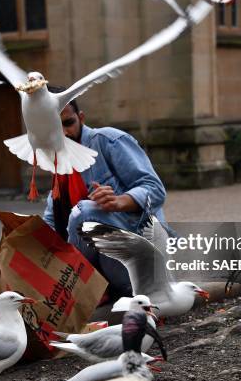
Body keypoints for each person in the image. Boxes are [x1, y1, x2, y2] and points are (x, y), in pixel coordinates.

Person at [43, 87, 167, 301]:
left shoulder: (108, 140)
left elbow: (155, 189)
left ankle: (83, 289)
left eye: (68, 123)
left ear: (81, 118)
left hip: (142, 269)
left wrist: (120, 202)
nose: (63, 134)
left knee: (84, 211)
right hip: (107, 273)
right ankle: (87, 290)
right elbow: (49, 227)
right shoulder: (60, 166)